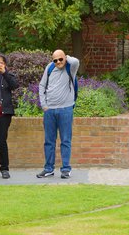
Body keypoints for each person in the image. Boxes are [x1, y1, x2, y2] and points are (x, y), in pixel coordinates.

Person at [37, 49, 80, 179]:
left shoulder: (71, 67)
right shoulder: (49, 68)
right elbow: (42, 85)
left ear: (65, 58)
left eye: (60, 59)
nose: (58, 62)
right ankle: (48, 169)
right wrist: (44, 105)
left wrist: (65, 57)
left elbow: (76, 61)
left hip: (65, 109)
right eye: (55, 60)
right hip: (50, 110)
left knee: (65, 140)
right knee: (49, 141)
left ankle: (66, 169)